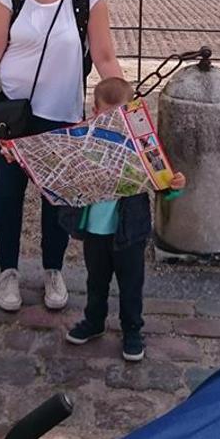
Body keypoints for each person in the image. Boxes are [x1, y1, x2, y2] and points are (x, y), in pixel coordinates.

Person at [0, 0, 123, 313]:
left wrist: (124, 111)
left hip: (61, 114)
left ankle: (53, 270)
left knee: (57, 200)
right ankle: (8, 272)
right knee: (7, 195)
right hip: (11, 114)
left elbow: (105, 58)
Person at [63, 76, 186, 362]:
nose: (113, 123)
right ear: (95, 111)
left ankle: (132, 330)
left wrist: (174, 185)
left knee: (131, 285)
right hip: (94, 231)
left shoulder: (140, 148)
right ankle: (94, 321)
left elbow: (163, 185)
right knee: (96, 281)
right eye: (107, 116)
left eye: (119, 117)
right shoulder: (85, 144)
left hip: (130, 232)